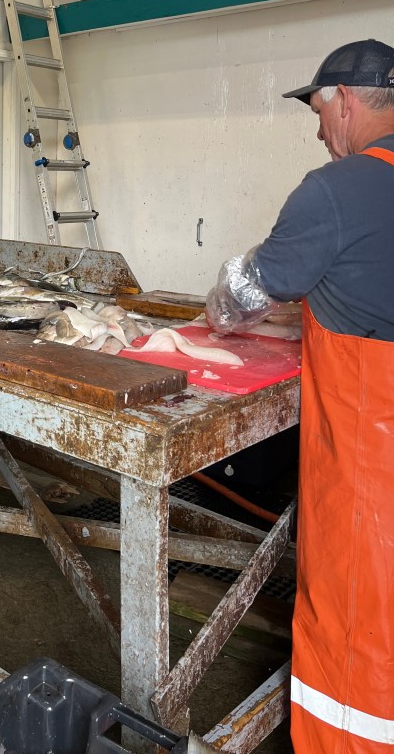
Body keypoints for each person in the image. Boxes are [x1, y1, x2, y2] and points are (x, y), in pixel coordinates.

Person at [206, 38, 394, 754]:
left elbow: (246, 293)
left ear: (344, 101)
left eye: (317, 111)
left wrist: (219, 309)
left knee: (356, 645)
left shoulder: (336, 189)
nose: (318, 132)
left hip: (371, 476)